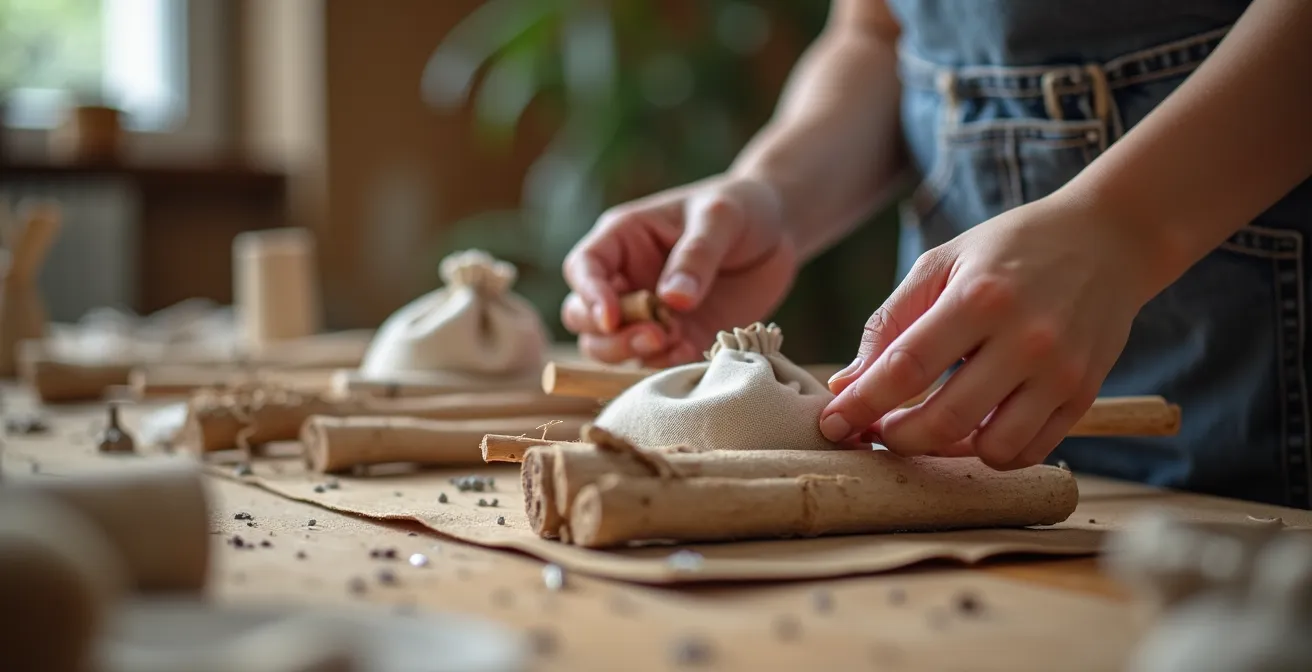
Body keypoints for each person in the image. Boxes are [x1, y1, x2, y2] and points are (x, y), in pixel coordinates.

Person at [558, 0, 1312, 510]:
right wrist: (775, 194)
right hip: (946, 461)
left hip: (1254, 429)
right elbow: (875, 31)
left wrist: (1125, 228)